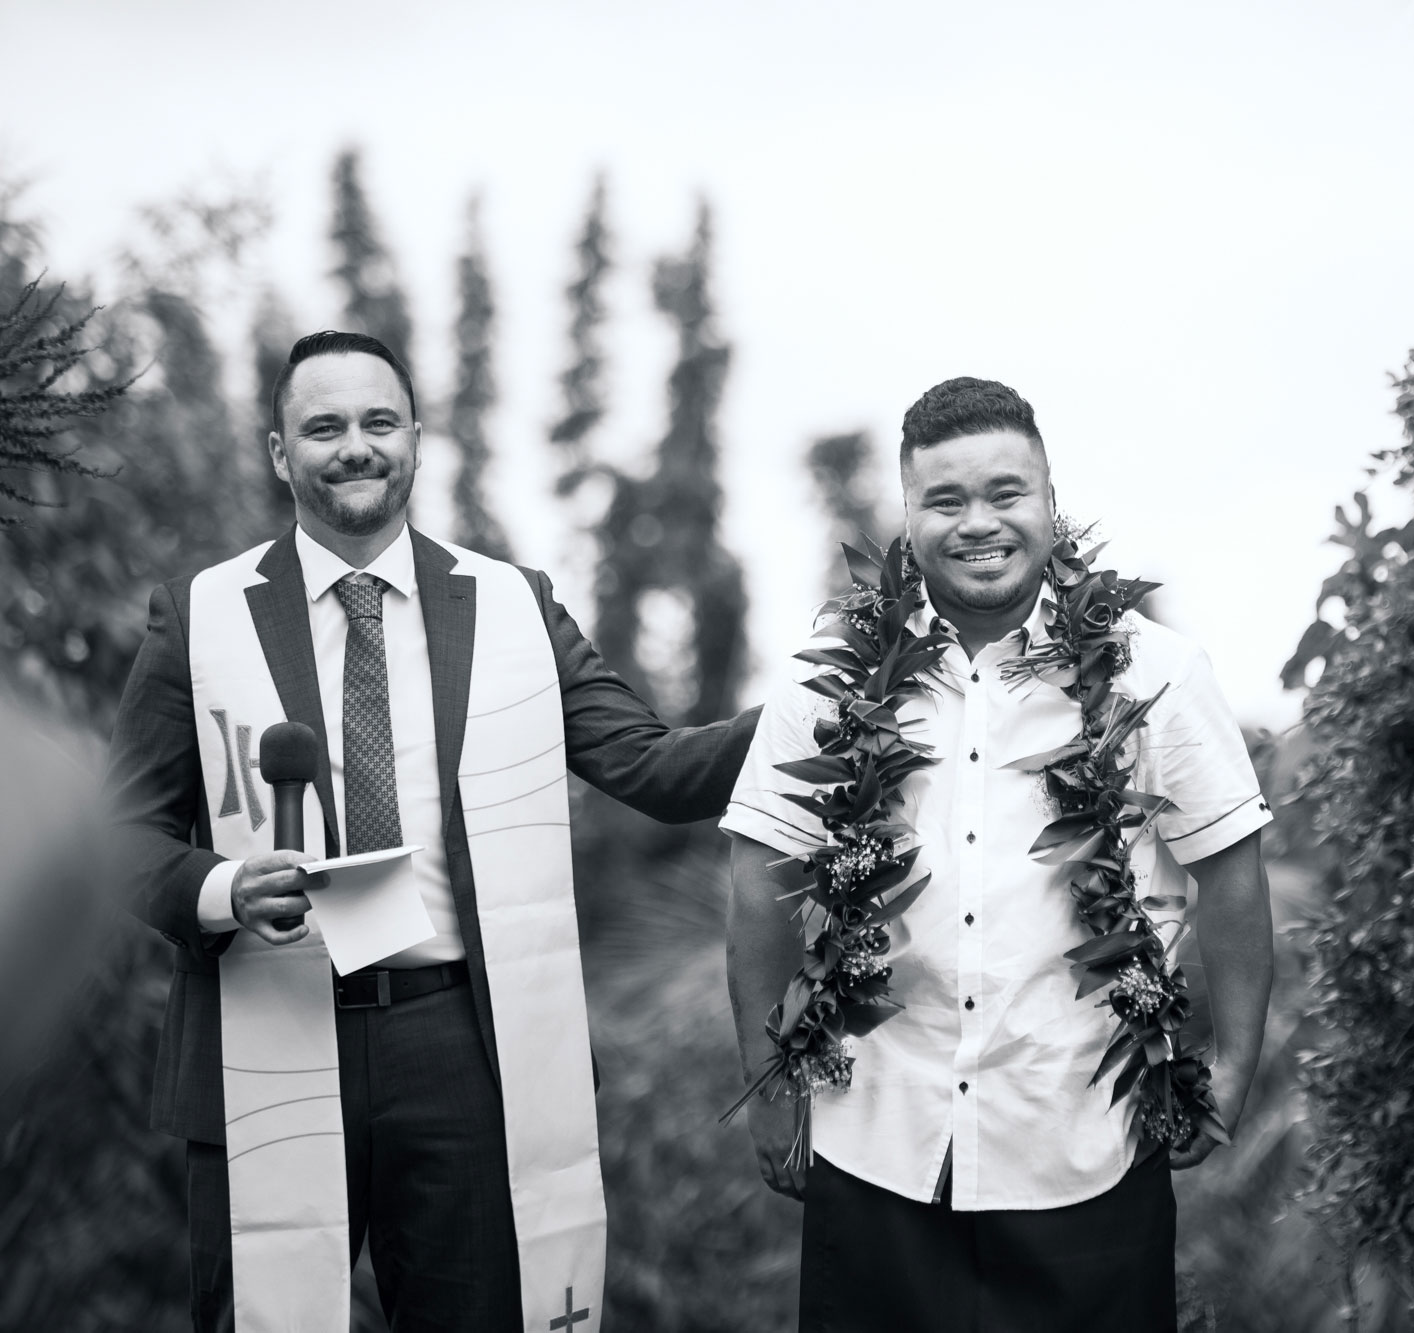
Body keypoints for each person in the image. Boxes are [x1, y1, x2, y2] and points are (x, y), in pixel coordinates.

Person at [104, 330, 757, 1332]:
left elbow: (654, 768)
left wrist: (815, 708)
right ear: (281, 452)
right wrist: (222, 890)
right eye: (322, 427)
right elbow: (125, 840)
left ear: (416, 436)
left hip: (462, 1044)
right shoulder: (200, 615)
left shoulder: (512, 606)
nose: (354, 446)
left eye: (377, 421)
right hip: (267, 1026)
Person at [722, 377, 1273, 1330]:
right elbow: (757, 879)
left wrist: (1229, 1068)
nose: (980, 522)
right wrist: (768, 1087)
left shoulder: (1154, 671)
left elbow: (1231, 870)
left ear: (1051, 501)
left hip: (1089, 1147)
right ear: (909, 516)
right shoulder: (831, 672)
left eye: (1006, 493)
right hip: (878, 1144)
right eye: (946, 499)